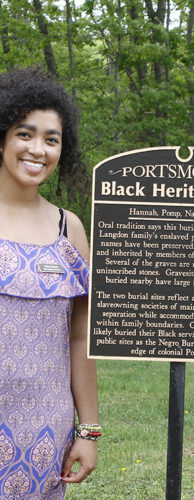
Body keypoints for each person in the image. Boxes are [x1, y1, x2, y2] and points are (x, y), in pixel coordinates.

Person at [0, 67, 99, 499]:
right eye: (25, 133)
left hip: (43, 431)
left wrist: (89, 430)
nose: (37, 149)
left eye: (51, 139)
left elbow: (80, 338)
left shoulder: (69, 229)